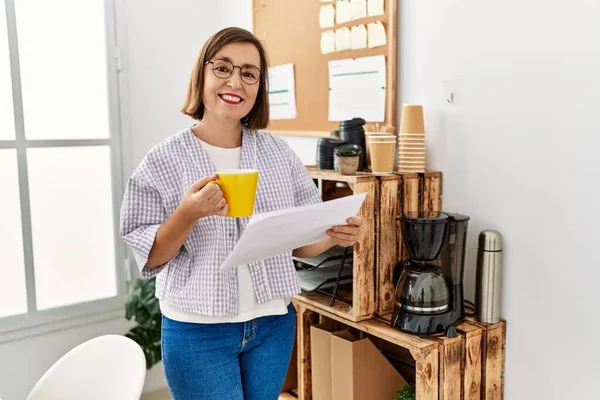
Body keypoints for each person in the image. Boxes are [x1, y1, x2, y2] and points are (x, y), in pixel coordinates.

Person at [120, 27, 363, 400]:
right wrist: (188, 213)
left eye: (249, 73)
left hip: (272, 324)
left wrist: (333, 233)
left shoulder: (279, 155)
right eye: (222, 68)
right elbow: (150, 258)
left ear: (259, 87)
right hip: (198, 333)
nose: (235, 81)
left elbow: (298, 243)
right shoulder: (162, 160)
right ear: (202, 73)